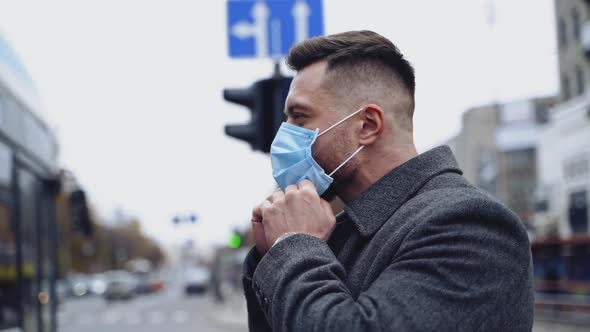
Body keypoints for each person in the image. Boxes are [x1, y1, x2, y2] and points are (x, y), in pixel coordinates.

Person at [242, 30, 533, 331]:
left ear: (367, 125)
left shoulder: (469, 225)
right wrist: (271, 256)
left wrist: (293, 247)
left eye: (300, 117)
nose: (283, 134)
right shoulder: (342, 232)